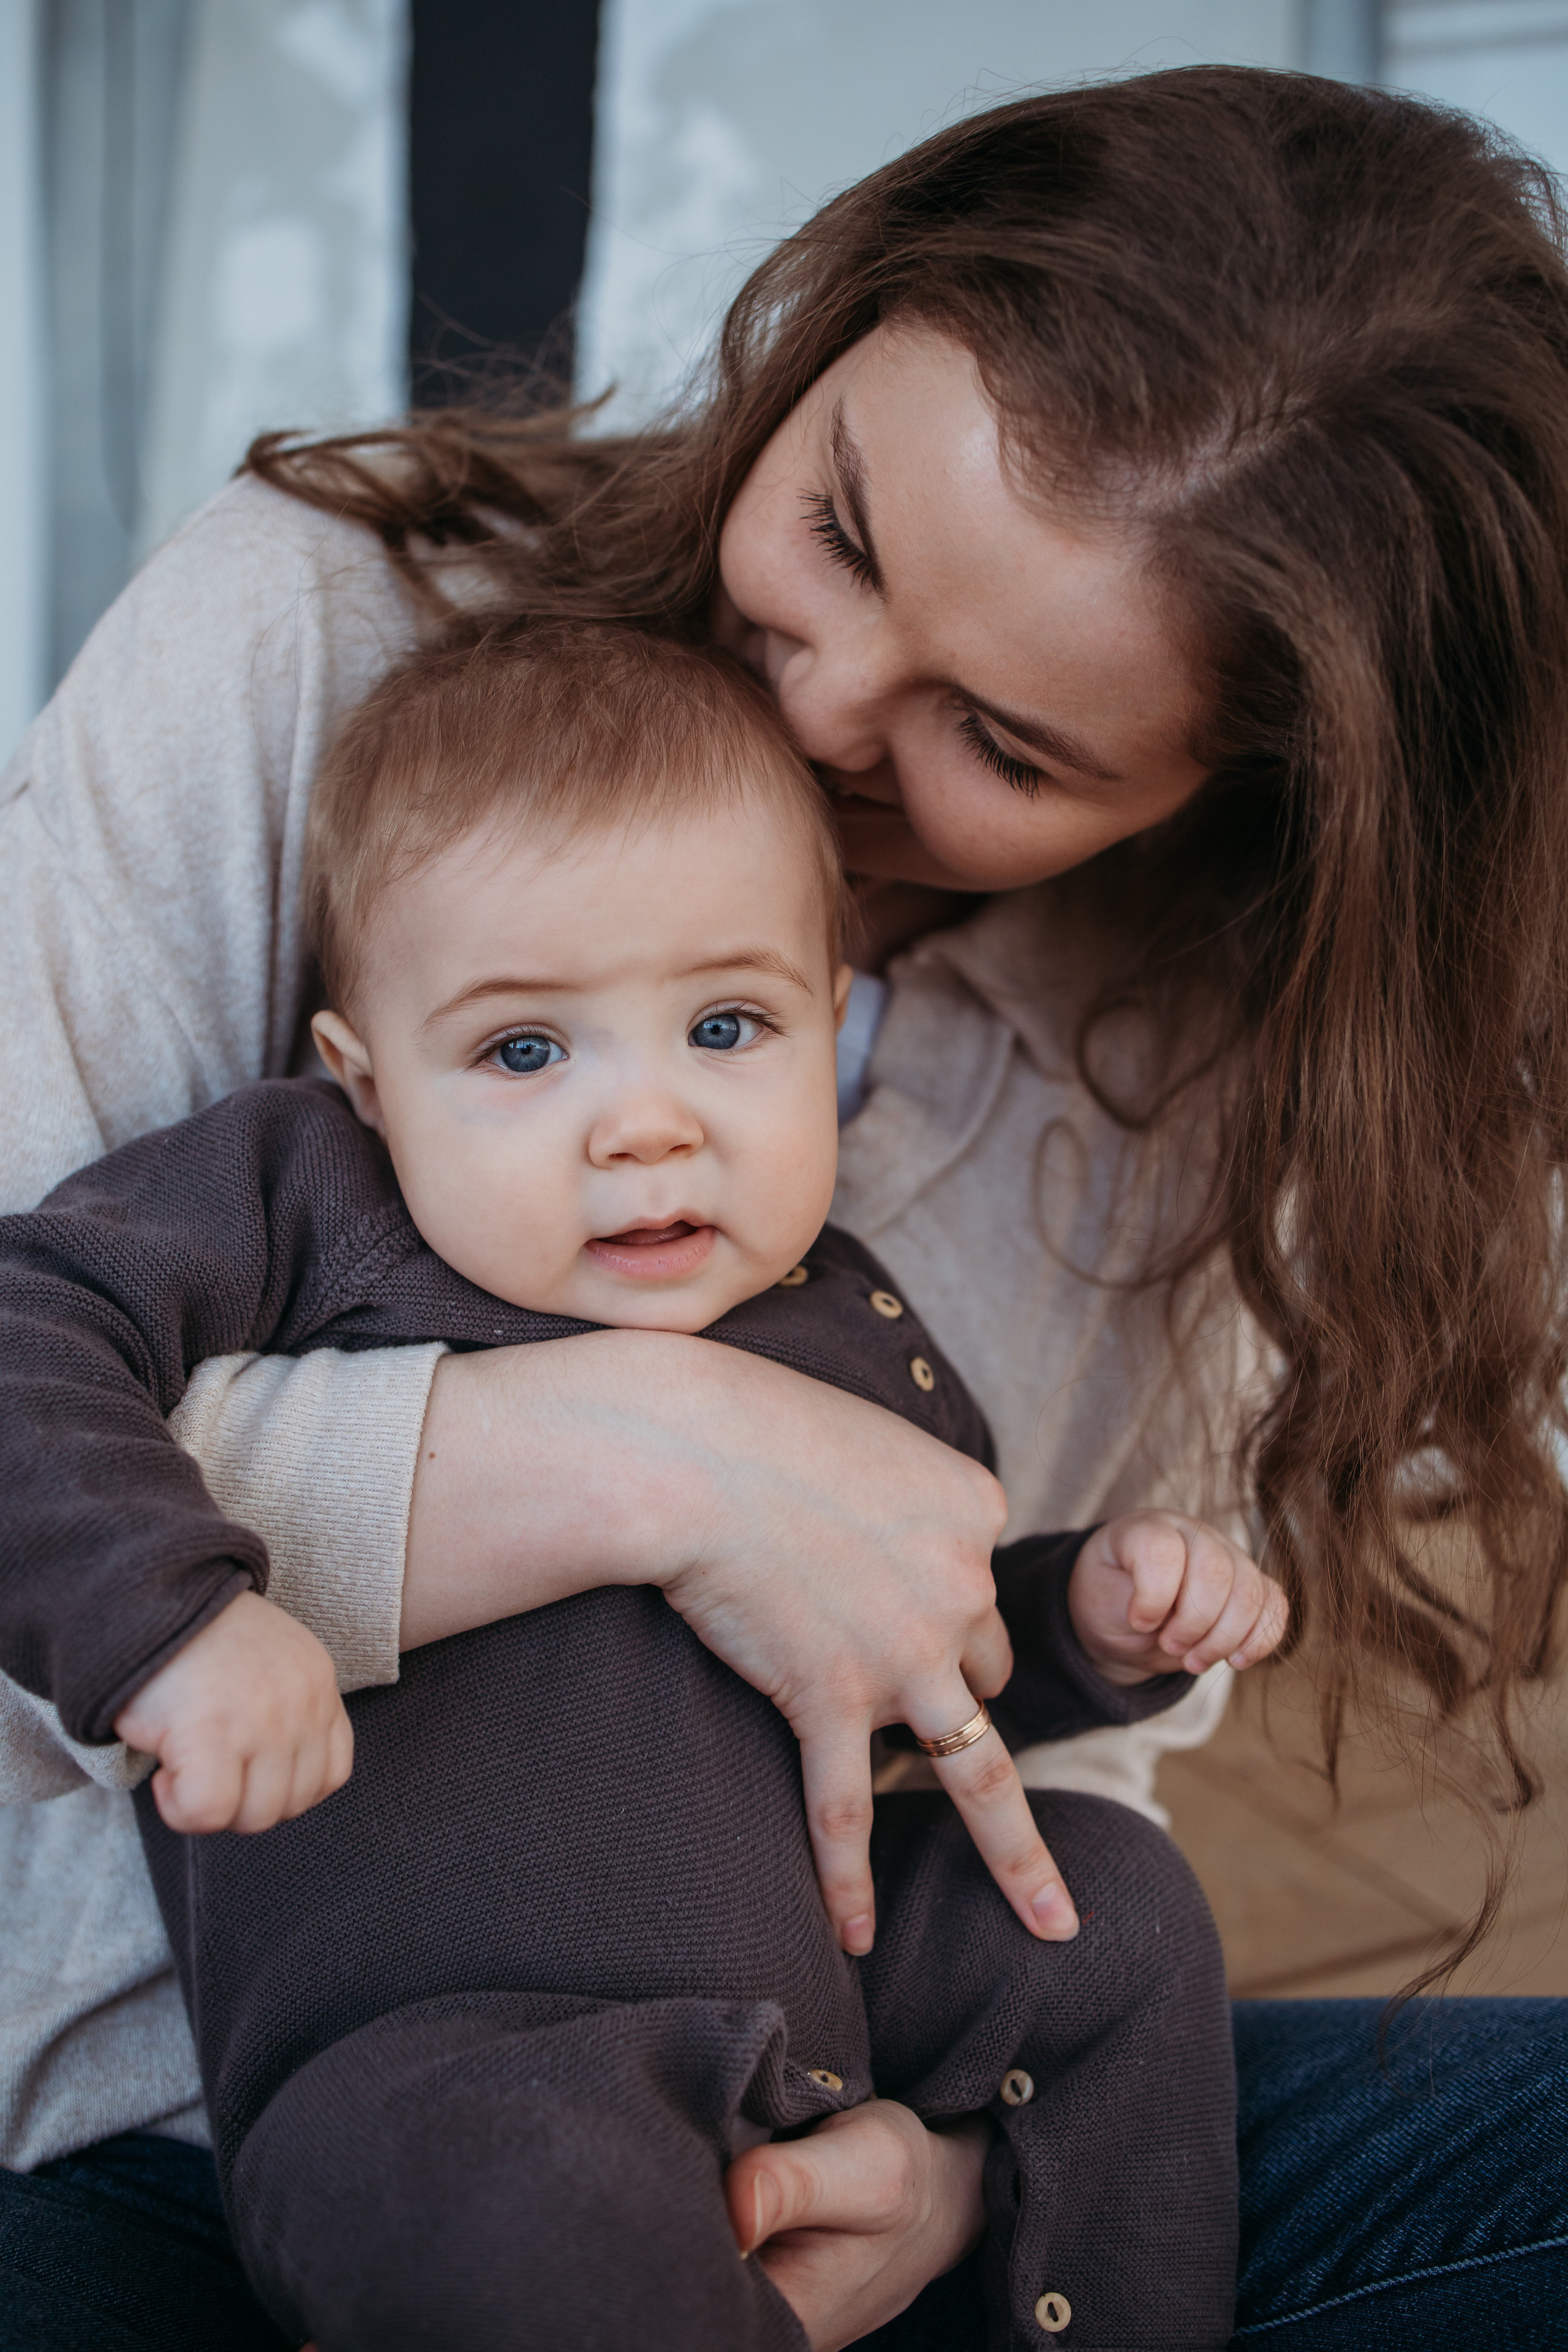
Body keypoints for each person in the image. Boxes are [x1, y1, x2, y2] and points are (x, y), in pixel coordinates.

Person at [2, 62, 1566, 2352]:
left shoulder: (1212, 1050)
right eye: (837, 529)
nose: (820, 710)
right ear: (827, 329)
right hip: (194, 2122)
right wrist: (661, 1464)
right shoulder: (311, 649)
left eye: (1007, 745)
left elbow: (1004, 1743)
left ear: (1234, 796)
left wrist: (947, 2183)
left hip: (839, 2056)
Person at [1, 619, 1277, 2349]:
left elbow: (923, 1671)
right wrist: (172, 1628)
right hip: (452, 2060)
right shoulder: (311, 1197)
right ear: (364, 1078)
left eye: (729, 1025)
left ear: (831, 1020)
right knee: (552, 2228)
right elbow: (27, 1335)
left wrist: (1092, 1620)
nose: (648, 1124)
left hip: (824, 1985)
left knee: (1112, 1906)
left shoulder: (846, 1318)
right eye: (528, 1053)